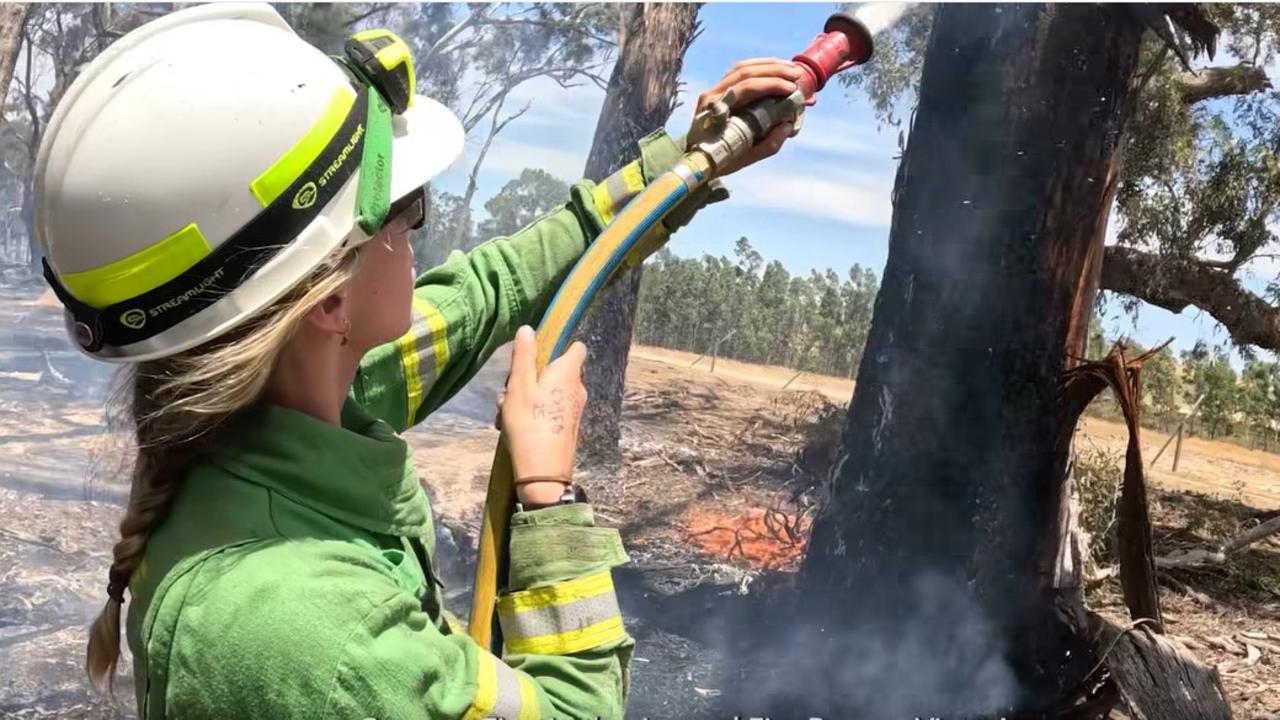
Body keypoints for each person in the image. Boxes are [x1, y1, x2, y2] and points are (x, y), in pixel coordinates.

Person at [34, 4, 802, 718]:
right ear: (328, 301)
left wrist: (689, 161)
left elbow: (496, 287)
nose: (421, 239)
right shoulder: (313, 635)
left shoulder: (294, 397)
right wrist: (545, 498)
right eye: (408, 215)